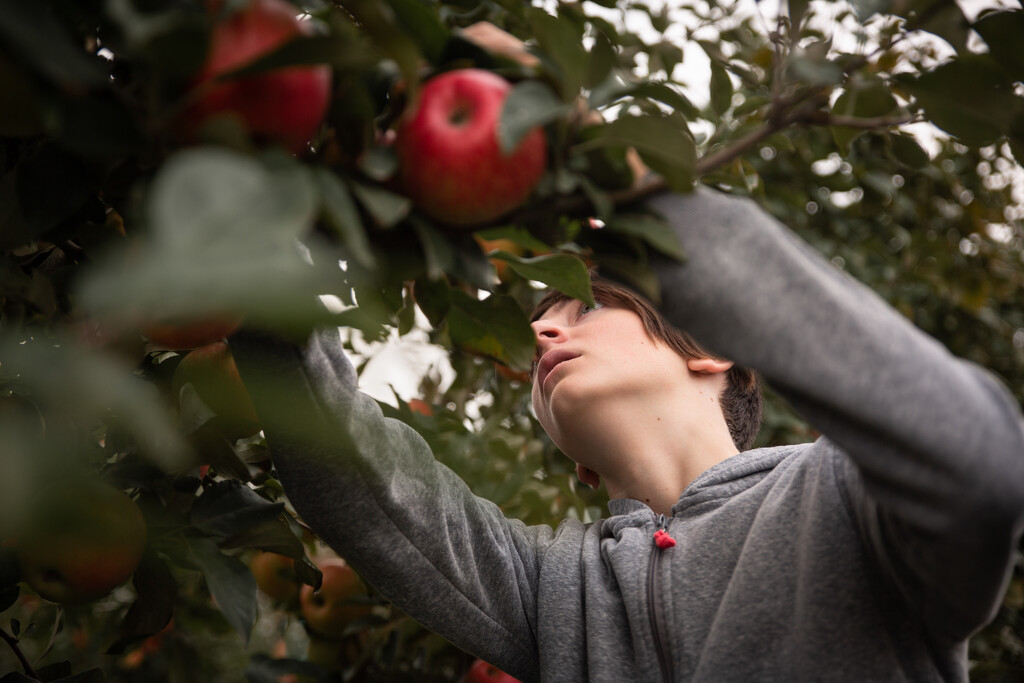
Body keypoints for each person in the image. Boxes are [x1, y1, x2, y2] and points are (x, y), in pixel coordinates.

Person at [230, 186, 1024, 682]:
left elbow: (979, 461)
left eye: (582, 306)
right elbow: (361, 485)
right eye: (539, 320)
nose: (541, 330)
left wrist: (630, 186)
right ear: (573, 464)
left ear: (711, 346)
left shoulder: (844, 500)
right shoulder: (550, 588)